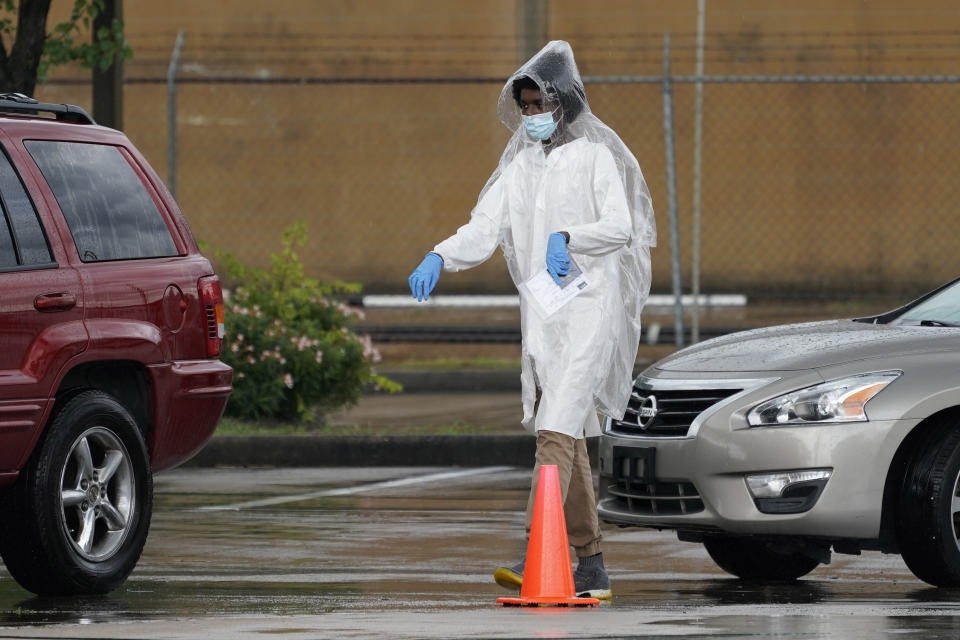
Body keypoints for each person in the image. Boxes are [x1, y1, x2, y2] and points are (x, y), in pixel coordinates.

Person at [407, 41, 655, 600]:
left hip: (590, 311)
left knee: (553, 433)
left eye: (539, 105)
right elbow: (484, 226)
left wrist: (570, 238)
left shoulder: (595, 159)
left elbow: (620, 225)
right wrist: (440, 255)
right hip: (546, 318)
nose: (531, 117)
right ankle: (591, 565)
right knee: (570, 439)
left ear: (563, 104)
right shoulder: (519, 168)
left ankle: (534, 550)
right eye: (524, 107)